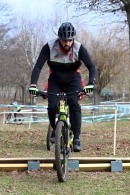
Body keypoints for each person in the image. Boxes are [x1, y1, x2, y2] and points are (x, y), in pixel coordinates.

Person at [29, 22, 97, 152]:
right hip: (55, 79)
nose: (67, 43)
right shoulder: (49, 47)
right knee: (52, 105)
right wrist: (33, 84)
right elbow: (38, 66)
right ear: (59, 39)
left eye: (70, 40)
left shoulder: (79, 48)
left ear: (73, 39)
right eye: (64, 40)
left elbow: (92, 67)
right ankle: (55, 129)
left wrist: (91, 83)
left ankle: (76, 138)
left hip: (73, 79)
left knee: (74, 105)